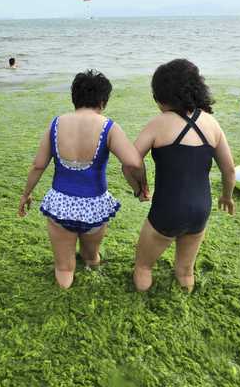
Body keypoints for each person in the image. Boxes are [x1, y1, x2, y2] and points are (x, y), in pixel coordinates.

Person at [18, 70, 146, 288]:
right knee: (91, 258)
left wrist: (26, 194)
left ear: (74, 98)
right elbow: (133, 162)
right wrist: (141, 187)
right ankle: (92, 288)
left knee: (64, 268)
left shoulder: (56, 124)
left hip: (60, 205)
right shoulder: (109, 127)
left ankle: (63, 298)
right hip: (95, 206)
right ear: (103, 101)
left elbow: (38, 165)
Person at [132, 59, 236, 292]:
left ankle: (139, 304)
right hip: (201, 209)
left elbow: (131, 162)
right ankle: (185, 302)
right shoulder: (212, 124)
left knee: (144, 267)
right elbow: (229, 170)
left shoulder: (158, 124)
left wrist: (140, 186)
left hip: (167, 210)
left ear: (161, 96)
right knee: (185, 271)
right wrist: (227, 197)